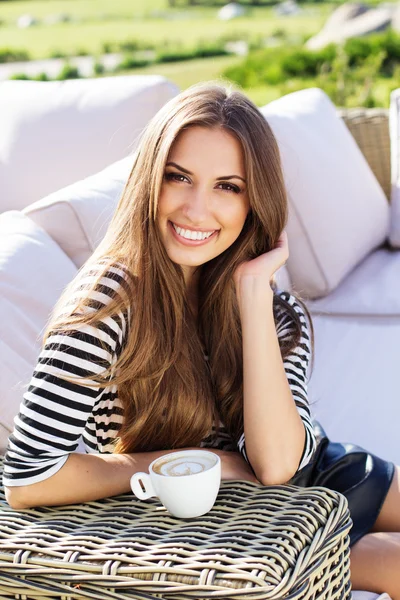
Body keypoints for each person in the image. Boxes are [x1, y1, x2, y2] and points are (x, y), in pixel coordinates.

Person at [3, 81, 399, 595]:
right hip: (222, 518)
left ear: (256, 201)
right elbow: (29, 479)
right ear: (150, 180)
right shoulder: (107, 303)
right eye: (179, 178)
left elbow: (281, 461)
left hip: (316, 470)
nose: (195, 209)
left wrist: (254, 295)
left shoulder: (272, 303)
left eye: (227, 187)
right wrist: (210, 465)